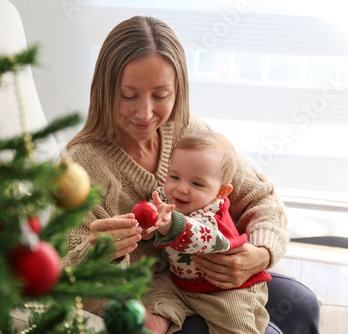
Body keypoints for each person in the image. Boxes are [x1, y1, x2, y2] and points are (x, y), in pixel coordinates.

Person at [62, 15, 320, 334]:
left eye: (160, 95)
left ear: (178, 89)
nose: (145, 113)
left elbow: (261, 197)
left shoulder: (188, 130)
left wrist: (259, 254)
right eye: (129, 95)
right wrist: (99, 254)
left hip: (208, 278)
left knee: (302, 304)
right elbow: (67, 272)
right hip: (156, 297)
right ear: (105, 89)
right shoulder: (82, 168)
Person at [142, 130, 271, 333]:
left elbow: (200, 237)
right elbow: (154, 222)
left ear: (220, 192)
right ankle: (157, 322)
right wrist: (146, 228)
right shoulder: (165, 199)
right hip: (179, 283)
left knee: (236, 322)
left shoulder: (213, 215)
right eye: (174, 176)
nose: (181, 189)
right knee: (155, 292)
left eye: (196, 183)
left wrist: (167, 224)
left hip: (225, 289)